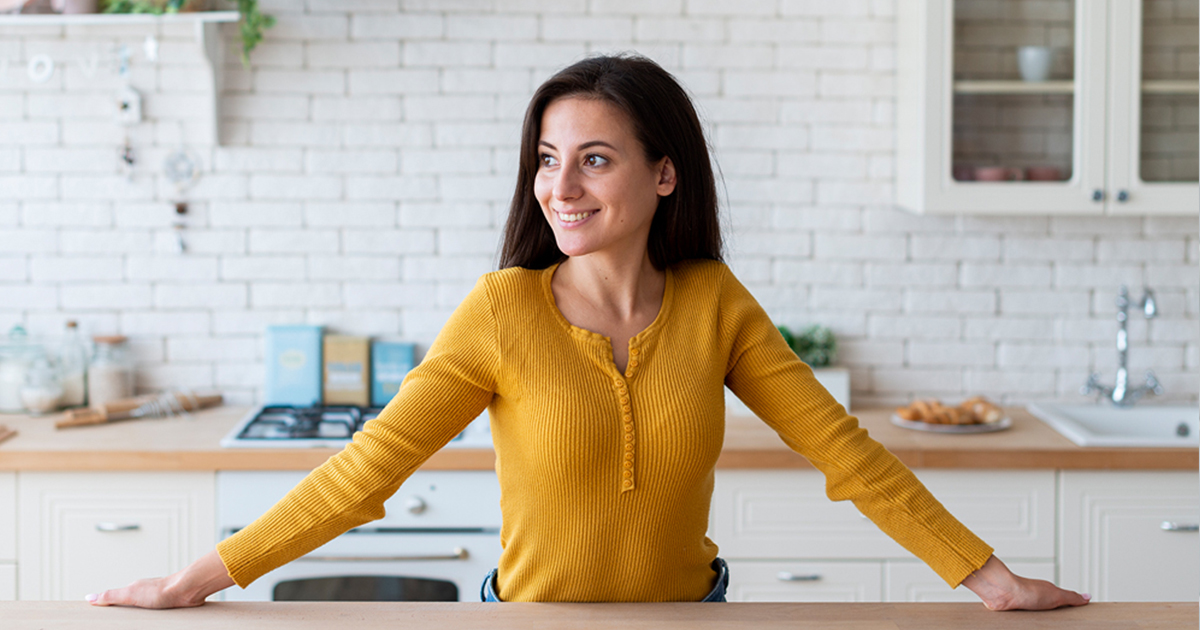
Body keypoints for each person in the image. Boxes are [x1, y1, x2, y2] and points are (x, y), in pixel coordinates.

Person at [88, 54, 1089, 610]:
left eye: (596, 159)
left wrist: (990, 580)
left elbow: (847, 453)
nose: (559, 187)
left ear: (664, 174)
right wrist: (194, 580)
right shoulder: (500, 312)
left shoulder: (715, 305)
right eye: (547, 160)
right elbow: (370, 468)